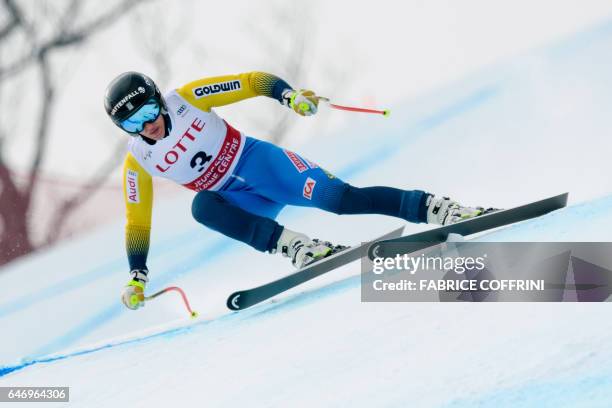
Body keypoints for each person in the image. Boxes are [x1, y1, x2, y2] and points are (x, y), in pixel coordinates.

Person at [104, 71, 490, 310]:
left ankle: (438, 208)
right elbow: (137, 223)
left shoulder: (187, 98)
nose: (147, 124)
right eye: (133, 122)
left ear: (159, 99)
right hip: (239, 199)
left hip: (261, 165)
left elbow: (251, 81)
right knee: (202, 207)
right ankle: (298, 246)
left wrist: (288, 96)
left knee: (340, 200)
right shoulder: (137, 161)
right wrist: (136, 274)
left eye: (149, 111)